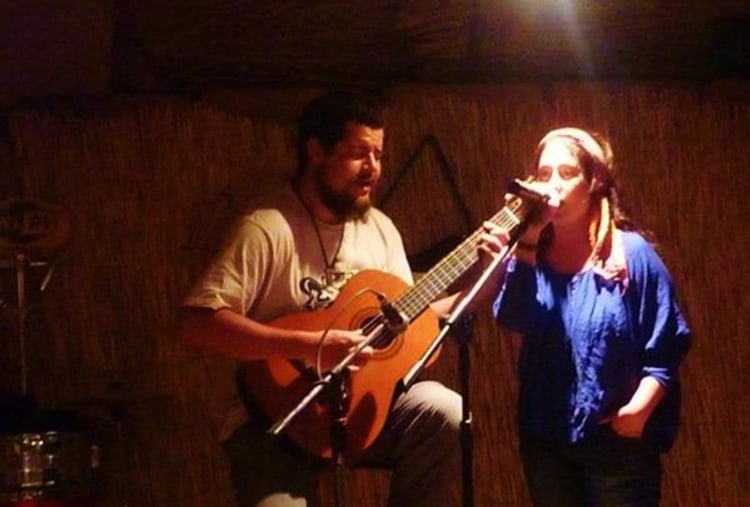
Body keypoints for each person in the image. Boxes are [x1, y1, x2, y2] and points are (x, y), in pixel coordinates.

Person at [176, 90, 462, 507]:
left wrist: (481, 282)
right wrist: (309, 346)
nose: (373, 169)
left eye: (379, 155)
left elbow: (411, 320)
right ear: (315, 151)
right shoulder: (267, 228)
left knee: (444, 409)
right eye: (358, 154)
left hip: (360, 410)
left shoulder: (380, 229)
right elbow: (196, 324)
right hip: (270, 418)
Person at [477, 127, 692, 506]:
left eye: (566, 172)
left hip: (616, 443)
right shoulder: (531, 256)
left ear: (593, 181)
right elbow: (513, 318)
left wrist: (637, 413)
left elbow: (667, 345)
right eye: (544, 175)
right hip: (546, 441)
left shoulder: (631, 255)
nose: (553, 184)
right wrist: (526, 243)